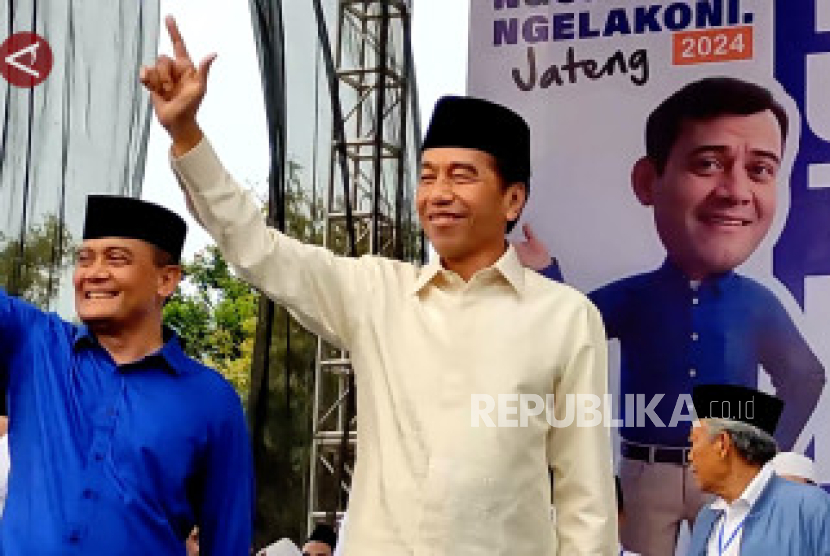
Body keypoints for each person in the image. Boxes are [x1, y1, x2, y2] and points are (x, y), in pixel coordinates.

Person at [140, 15, 617, 555]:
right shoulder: (376, 294)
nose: (438, 192)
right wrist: (186, 134)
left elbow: (585, 499)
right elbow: (257, 248)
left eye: (462, 175)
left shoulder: (566, 317)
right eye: (429, 175)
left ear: (512, 200)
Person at [517, 77, 826, 555]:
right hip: (646, 474)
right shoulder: (637, 297)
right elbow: (573, 329)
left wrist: (764, 458)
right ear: (648, 181)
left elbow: (805, 376)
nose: (736, 192)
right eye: (707, 164)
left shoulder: (757, 304)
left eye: (761, 169)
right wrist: (549, 273)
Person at [0, 195, 254, 554]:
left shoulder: (211, 400)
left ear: (166, 280)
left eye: (116, 259)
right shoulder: (37, 345)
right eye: (84, 259)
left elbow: (228, 539)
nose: (94, 273)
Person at [687, 384, 830, 555]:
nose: (690, 456)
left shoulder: (811, 507)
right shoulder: (707, 517)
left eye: (694, 441)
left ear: (722, 444)